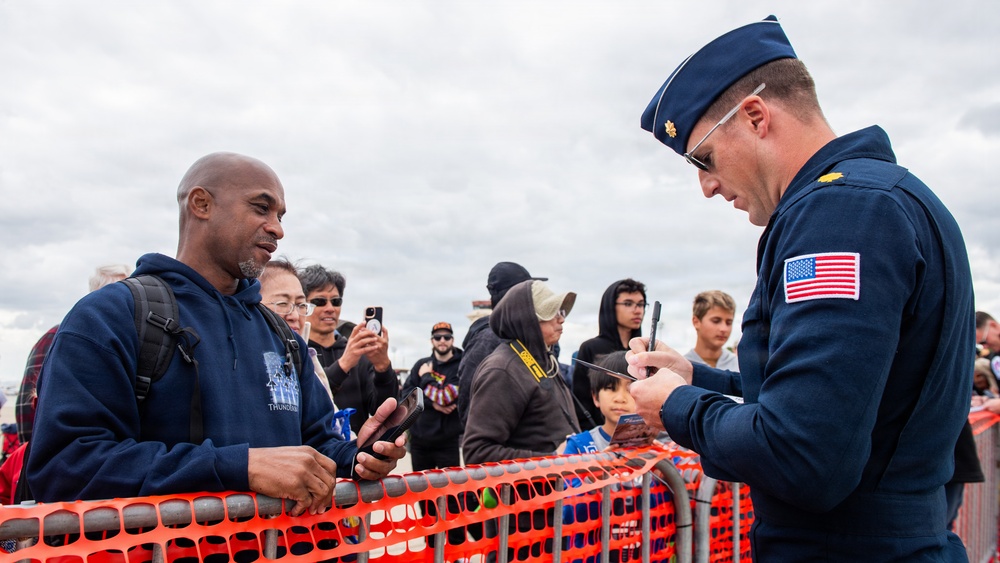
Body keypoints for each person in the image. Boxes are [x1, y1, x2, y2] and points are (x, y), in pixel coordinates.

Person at [629, 16, 974, 560]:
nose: (707, 186)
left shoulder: (840, 216)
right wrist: (702, 378)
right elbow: (852, 394)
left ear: (756, 116)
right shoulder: (888, 198)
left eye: (704, 159)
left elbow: (805, 454)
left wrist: (679, 407)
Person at [26, 152, 405, 516]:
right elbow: (65, 467)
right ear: (201, 204)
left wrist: (357, 456)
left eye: (280, 215)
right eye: (261, 208)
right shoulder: (110, 315)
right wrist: (238, 467)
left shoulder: (280, 334)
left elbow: (316, 443)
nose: (278, 228)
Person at [463, 279, 579, 464]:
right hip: (532, 492)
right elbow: (478, 453)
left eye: (561, 311)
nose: (561, 319)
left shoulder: (542, 361)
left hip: (557, 489)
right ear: (527, 319)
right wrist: (552, 461)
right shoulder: (503, 370)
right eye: (553, 312)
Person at [15, 264, 131, 445]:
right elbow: (28, 407)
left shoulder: (125, 343)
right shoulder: (62, 336)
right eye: (119, 292)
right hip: (56, 457)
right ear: (96, 294)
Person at [299, 264, 398, 437]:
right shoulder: (298, 351)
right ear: (303, 306)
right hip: (312, 452)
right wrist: (344, 365)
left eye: (336, 301)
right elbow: (304, 400)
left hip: (354, 453)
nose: (330, 308)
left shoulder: (358, 351)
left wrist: (383, 367)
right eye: (319, 301)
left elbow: (382, 410)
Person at [457, 261, 546, 427]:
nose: (534, 296)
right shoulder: (487, 340)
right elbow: (468, 409)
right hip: (505, 449)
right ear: (513, 295)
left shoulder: (524, 336)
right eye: (529, 291)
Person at [403, 321, 466, 545]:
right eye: (438, 337)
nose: (442, 341)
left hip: (447, 441)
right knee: (424, 495)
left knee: (452, 494)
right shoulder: (421, 363)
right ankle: (432, 544)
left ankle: (456, 544)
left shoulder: (461, 365)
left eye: (446, 337)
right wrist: (433, 404)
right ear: (432, 340)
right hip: (420, 441)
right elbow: (407, 396)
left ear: (452, 340)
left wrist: (427, 379)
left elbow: (448, 397)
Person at [571, 279, 646, 429]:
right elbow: (581, 404)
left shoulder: (646, 350)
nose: (637, 310)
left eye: (641, 304)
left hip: (641, 433)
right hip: (600, 436)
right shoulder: (591, 348)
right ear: (611, 307)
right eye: (628, 303)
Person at [564, 351, 634, 454]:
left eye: (630, 389)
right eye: (611, 388)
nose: (619, 398)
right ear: (596, 397)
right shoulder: (579, 446)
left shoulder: (656, 447)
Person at [683, 290, 739, 371]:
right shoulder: (682, 366)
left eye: (729, 322)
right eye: (716, 321)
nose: (724, 329)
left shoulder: (740, 366)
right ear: (696, 322)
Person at [975, 311, 1000, 385]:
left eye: (984, 341)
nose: (984, 347)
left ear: (993, 326)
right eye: (979, 344)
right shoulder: (994, 359)